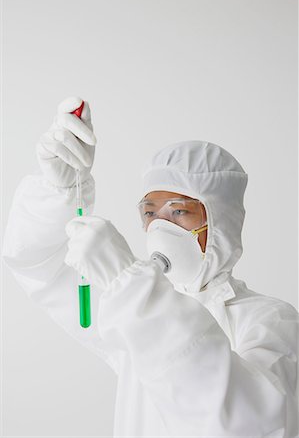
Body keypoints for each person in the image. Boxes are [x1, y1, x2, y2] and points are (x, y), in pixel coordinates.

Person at [3, 97, 298, 437]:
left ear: (221, 224)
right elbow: (36, 263)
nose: (160, 226)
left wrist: (128, 283)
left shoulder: (270, 321)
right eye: (150, 212)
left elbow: (246, 423)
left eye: (178, 211)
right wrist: (59, 190)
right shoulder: (131, 312)